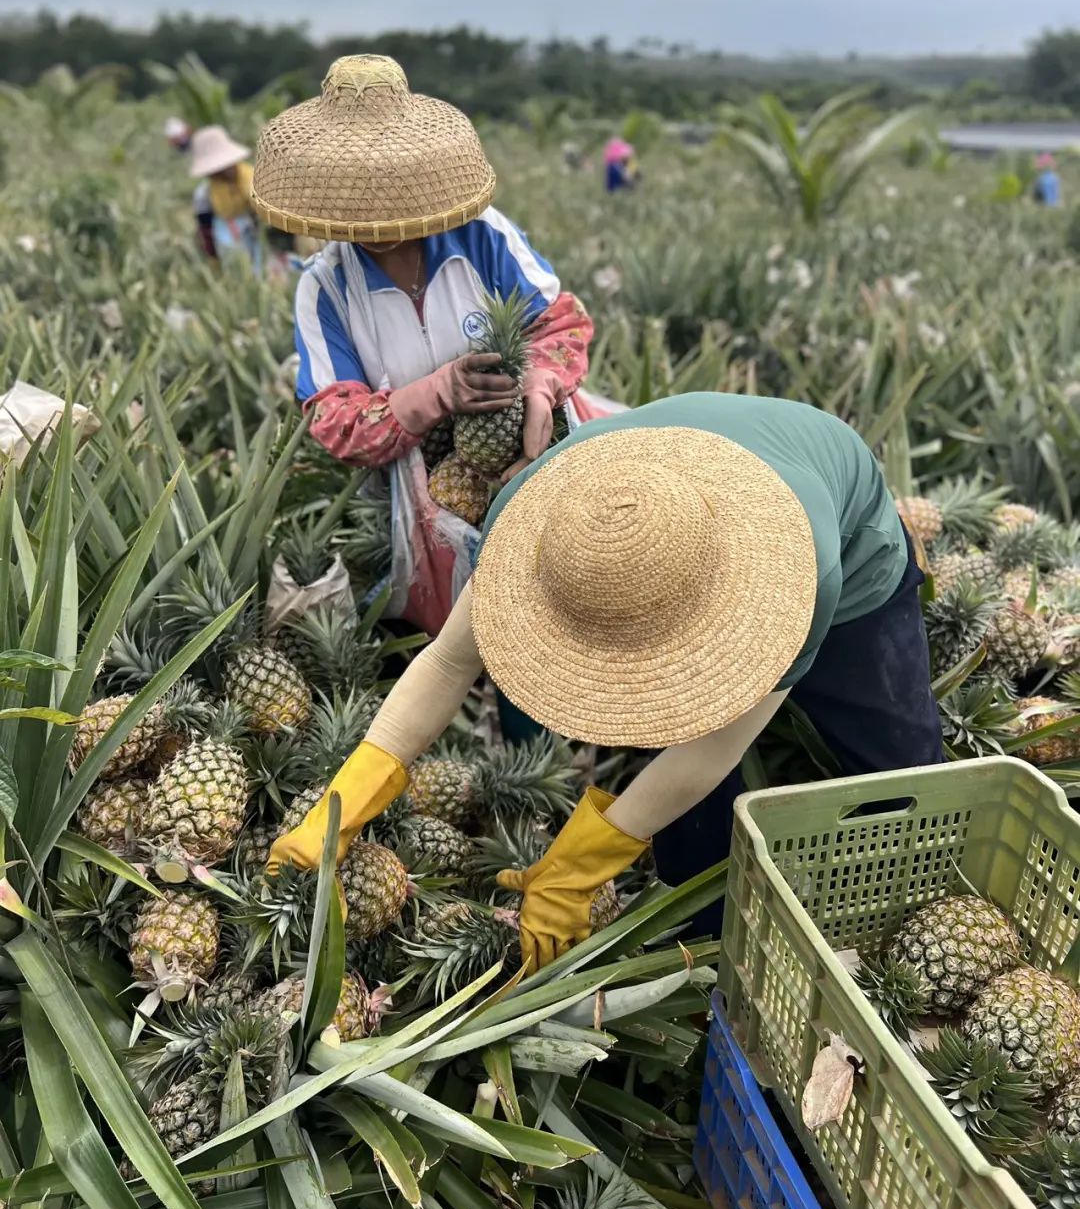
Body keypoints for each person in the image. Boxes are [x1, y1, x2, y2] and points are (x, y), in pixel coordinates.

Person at [268, 392, 944, 969]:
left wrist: (577, 865)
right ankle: (704, 937)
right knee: (684, 794)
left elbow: (717, 744)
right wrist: (346, 799)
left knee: (901, 760)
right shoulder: (530, 516)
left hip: (845, 546)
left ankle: (912, 892)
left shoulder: (803, 570)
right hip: (669, 485)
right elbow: (448, 660)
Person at [250, 54, 608, 643]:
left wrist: (541, 385)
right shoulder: (325, 288)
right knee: (475, 631)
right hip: (422, 487)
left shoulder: (484, 234)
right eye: (359, 199)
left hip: (535, 438)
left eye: (391, 190)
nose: (379, 217)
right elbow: (334, 419)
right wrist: (437, 392)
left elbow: (561, 323)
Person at [188, 125, 261, 270]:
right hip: (233, 247)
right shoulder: (204, 195)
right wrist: (214, 259)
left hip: (260, 238)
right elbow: (206, 231)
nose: (226, 171)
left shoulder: (254, 178)